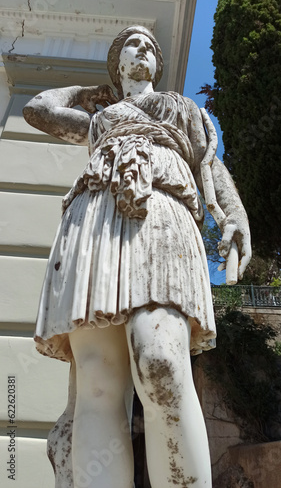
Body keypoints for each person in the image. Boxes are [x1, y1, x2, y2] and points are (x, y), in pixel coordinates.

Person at [23, 26, 251, 488]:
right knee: (97, 382)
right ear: (118, 63)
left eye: (150, 46)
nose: (144, 49)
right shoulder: (101, 118)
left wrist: (236, 217)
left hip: (161, 213)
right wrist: (87, 91)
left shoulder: (181, 109)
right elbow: (39, 109)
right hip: (94, 220)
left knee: (160, 360)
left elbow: (211, 162)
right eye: (133, 44)